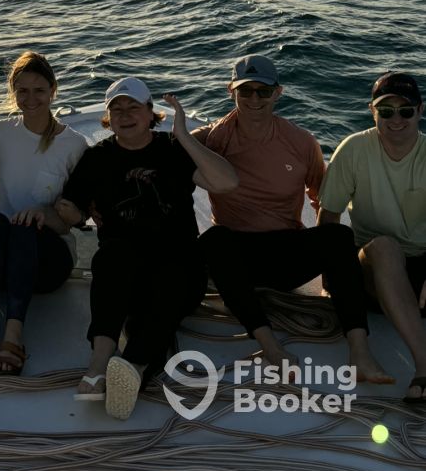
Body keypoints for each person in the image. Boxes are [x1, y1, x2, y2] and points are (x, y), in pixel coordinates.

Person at [193, 53, 390, 382]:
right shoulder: (214, 138)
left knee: (339, 237)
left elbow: (323, 200)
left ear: (278, 93)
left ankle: (360, 352)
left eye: (264, 91)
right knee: (214, 240)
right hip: (237, 258)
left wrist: (331, 276)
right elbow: (172, 149)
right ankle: (271, 347)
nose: (255, 99)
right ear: (231, 92)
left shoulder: (300, 142)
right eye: (246, 91)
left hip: (286, 254)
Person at [55, 76, 238, 420]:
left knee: (168, 286)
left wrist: (184, 136)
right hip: (125, 271)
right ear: (108, 118)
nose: (125, 114)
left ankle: (133, 367)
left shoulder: (173, 149)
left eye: (133, 107)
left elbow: (227, 182)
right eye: (117, 109)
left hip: (179, 264)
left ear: (151, 112)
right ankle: (99, 365)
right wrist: (69, 210)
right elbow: (72, 210)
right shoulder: (97, 158)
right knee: (110, 257)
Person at [0, 51, 87, 375]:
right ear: (13, 92)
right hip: (3, 257)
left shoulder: (73, 145)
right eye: (23, 91)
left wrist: (43, 214)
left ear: (53, 91)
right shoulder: (0, 132)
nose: (31, 99)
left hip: (49, 258)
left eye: (39, 90)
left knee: (22, 229)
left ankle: (13, 338)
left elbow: (76, 216)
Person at [318, 71, 426, 403]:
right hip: (372, 273)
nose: (396, 119)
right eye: (386, 111)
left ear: (420, 111)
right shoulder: (353, 150)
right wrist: (330, 281)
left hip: (421, 270)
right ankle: (424, 367)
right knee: (384, 246)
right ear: (372, 111)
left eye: (405, 110)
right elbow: (329, 218)